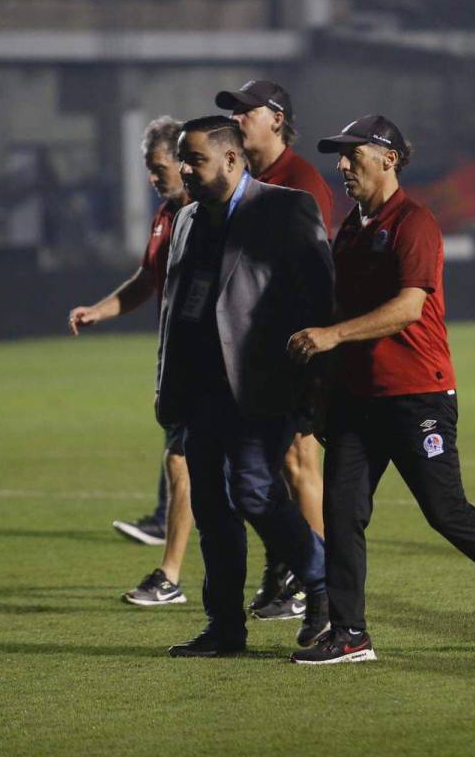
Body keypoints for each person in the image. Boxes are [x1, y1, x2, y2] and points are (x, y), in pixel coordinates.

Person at [287, 115, 475, 665]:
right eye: (338, 156)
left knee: (445, 510)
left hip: (417, 396)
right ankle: (351, 633)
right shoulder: (353, 230)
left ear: (388, 157)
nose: (340, 165)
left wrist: (332, 336)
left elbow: (410, 307)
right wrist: (321, 389)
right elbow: (339, 309)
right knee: (342, 511)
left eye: (351, 154)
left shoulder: (414, 222)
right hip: (357, 400)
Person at [158, 116, 333, 657]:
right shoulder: (187, 218)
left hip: (264, 387)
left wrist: (313, 390)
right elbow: (175, 308)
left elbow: (321, 300)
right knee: (211, 508)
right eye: (182, 160)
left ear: (232, 160)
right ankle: (226, 627)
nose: (184, 170)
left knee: (255, 492)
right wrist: (168, 383)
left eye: (195, 160)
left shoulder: (286, 208)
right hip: (201, 391)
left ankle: (324, 586)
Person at [215, 79, 334, 620]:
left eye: (247, 111)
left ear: (277, 119)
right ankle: (287, 574)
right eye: (234, 111)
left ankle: (317, 583)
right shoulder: (251, 178)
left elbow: (317, 273)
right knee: (276, 468)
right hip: (259, 354)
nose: (237, 118)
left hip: (296, 349)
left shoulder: (300, 182)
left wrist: (316, 360)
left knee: (298, 460)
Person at [66, 116, 194, 606]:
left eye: (157, 166)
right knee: (190, 465)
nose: (151, 177)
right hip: (179, 362)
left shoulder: (213, 213)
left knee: (203, 467)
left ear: (184, 163)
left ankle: (173, 575)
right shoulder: (166, 214)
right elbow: (146, 278)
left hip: (213, 364)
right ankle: (175, 574)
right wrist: (100, 310)